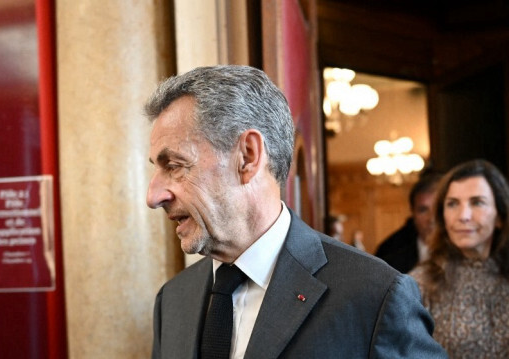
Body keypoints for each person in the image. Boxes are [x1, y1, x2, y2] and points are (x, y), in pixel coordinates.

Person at [144, 65, 446, 358]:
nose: (153, 196)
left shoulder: (376, 296)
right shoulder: (172, 300)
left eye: (174, 165)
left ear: (247, 156)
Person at [410, 159, 509, 358]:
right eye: (452, 204)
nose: (463, 215)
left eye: (477, 202)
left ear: (499, 216)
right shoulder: (420, 284)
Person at [375, 172, 442, 273]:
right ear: (413, 213)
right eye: (423, 210)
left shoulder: (467, 251)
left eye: (438, 208)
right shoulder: (390, 257)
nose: (431, 218)